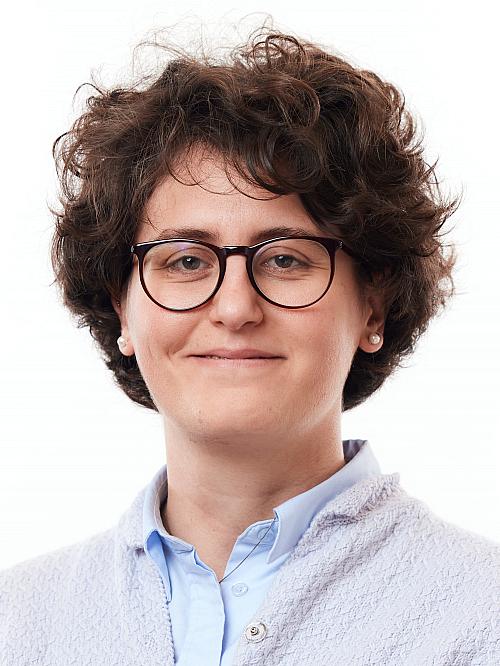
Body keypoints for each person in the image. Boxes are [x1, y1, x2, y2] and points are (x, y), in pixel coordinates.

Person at [1, 23, 499, 665]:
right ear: (122, 308)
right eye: (185, 261)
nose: (235, 308)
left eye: (286, 259)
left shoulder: (481, 616)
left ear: (373, 305)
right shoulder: (18, 623)